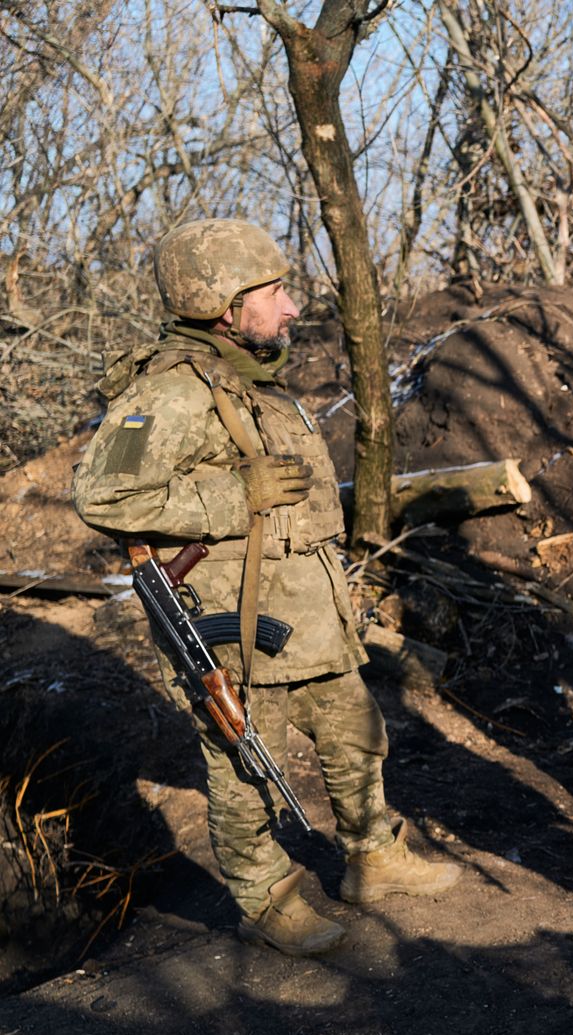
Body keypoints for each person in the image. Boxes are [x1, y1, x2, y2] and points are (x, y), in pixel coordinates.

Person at [73, 218, 459, 956]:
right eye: (273, 291)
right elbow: (102, 495)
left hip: (306, 610)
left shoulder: (255, 379)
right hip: (236, 624)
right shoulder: (167, 391)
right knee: (249, 764)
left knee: (356, 732)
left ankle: (372, 857)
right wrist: (231, 494)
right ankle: (268, 898)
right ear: (221, 303)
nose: (290, 308)